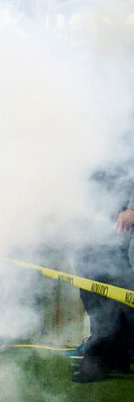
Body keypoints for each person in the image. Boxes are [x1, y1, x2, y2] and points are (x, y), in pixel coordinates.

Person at [70, 162, 134, 383]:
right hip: (96, 214)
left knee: (106, 278)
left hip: (117, 215)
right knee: (92, 282)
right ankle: (117, 355)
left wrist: (133, 207)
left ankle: (102, 356)